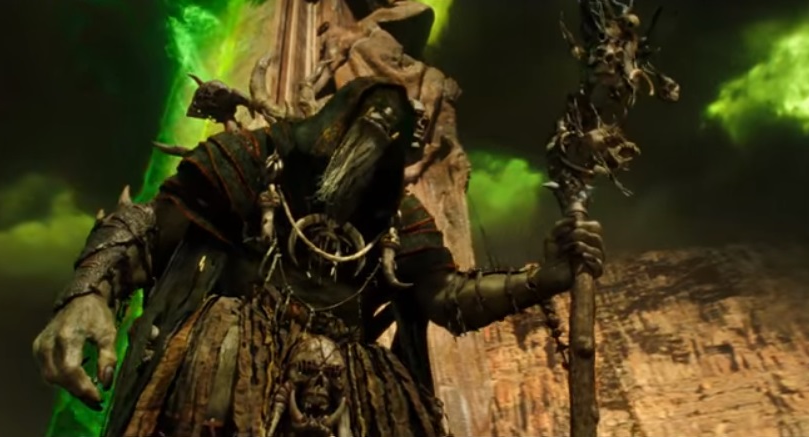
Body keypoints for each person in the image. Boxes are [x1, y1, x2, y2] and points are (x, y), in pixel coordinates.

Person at [32, 77, 604, 437]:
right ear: (336, 117)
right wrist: (87, 292)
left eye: (393, 127)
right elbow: (153, 224)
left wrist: (545, 278)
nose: (380, 128)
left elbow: (448, 298)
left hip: (355, 381)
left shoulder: (398, 218)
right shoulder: (257, 159)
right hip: (228, 359)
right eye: (370, 115)